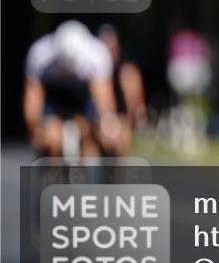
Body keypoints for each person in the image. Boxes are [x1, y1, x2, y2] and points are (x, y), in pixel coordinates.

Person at [23, 20, 119, 159]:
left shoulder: (97, 56)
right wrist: (35, 130)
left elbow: (104, 101)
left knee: (94, 138)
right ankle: (52, 174)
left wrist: (106, 127)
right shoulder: (39, 54)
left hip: (82, 100)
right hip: (54, 100)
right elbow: (32, 101)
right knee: (51, 138)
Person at [97, 24, 148, 154]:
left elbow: (134, 103)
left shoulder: (127, 70)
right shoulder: (92, 69)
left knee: (121, 137)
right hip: (98, 116)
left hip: (120, 117)